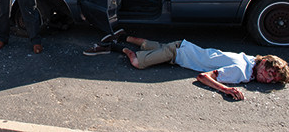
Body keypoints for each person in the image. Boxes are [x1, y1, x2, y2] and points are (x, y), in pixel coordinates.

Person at [85, 32, 289, 101]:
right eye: (269, 73)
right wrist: (226, 89)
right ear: (264, 62)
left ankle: (123, 34)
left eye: (273, 80)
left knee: (149, 45)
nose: (268, 79)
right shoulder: (240, 71)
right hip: (178, 53)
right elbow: (203, 76)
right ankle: (116, 45)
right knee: (138, 62)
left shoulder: (250, 59)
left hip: (183, 47)